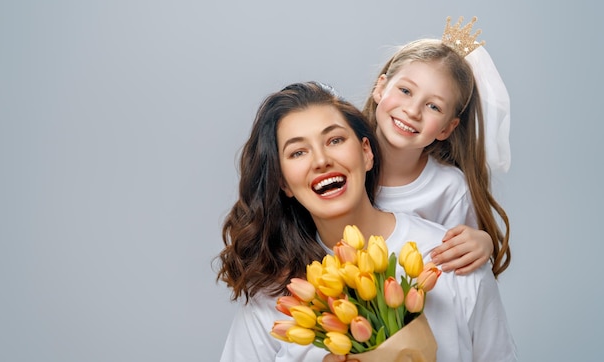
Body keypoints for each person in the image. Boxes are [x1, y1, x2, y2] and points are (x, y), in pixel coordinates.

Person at [216, 81, 516, 361]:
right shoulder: (275, 295)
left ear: (366, 153)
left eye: (334, 139)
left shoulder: (452, 259)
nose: (321, 160)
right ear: (283, 183)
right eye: (298, 152)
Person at [363, 16, 511, 277]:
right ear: (381, 88)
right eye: (406, 91)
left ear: (447, 128)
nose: (412, 111)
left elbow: (459, 277)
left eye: (434, 106)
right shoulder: (340, 158)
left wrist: (481, 242)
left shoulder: (449, 189)